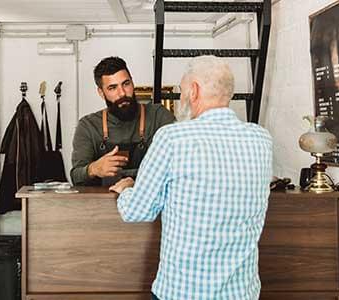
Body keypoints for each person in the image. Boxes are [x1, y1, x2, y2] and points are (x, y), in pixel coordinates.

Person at [110, 56, 273, 300]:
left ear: (194, 91)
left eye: (183, 89)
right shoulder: (261, 139)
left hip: (183, 292)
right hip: (242, 292)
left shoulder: (173, 138)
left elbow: (137, 211)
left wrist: (125, 190)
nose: (182, 96)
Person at [70, 56, 175, 186]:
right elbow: (76, 176)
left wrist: (134, 180)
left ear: (132, 82)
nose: (122, 93)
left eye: (126, 84)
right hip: (102, 203)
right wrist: (94, 169)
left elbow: (176, 164)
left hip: (148, 200)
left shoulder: (158, 116)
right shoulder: (88, 126)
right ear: (101, 93)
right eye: (112, 88)